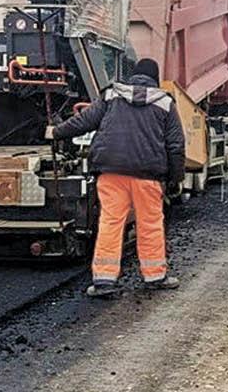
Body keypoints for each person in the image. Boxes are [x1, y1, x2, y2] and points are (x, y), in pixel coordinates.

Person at [49, 58, 186, 297]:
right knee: (150, 224)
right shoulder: (165, 103)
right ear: (155, 79)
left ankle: (103, 281)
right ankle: (154, 277)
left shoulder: (112, 96)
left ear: (133, 76)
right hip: (148, 176)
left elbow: (85, 121)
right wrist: (176, 179)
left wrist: (57, 132)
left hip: (111, 172)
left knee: (111, 223)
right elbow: (175, 145)